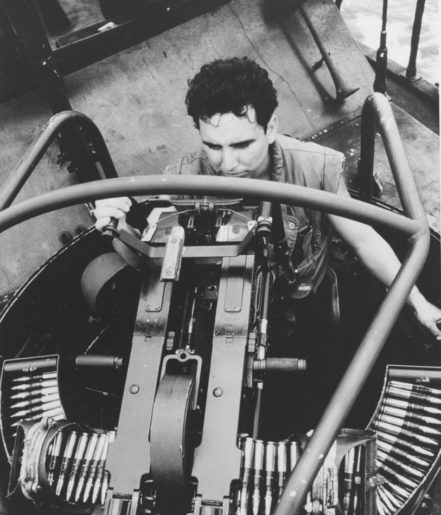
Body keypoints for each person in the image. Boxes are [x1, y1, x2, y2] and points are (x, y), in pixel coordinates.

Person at [93, 56, 441, 339]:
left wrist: (419, 303)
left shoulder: (313, 167)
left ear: (270, 128)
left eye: (242, 145)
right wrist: (121, 231)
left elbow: (365, 242)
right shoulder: (182, 180)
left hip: (305, 304)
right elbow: (150, 266)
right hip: (224, 318)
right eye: (213, 146)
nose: (227, 164)